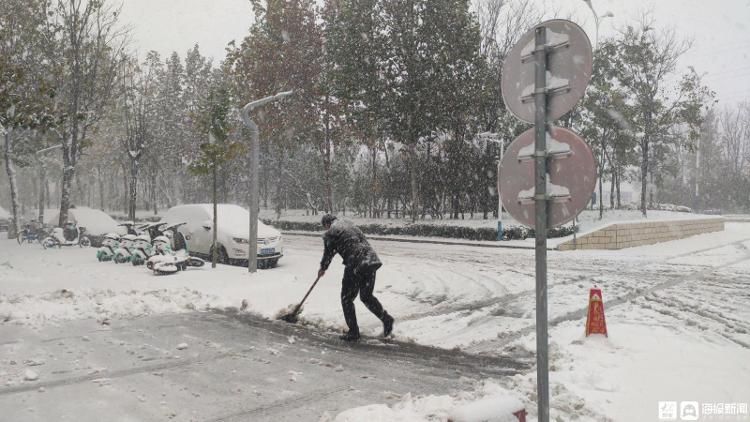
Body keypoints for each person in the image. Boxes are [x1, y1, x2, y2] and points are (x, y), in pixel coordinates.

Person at [318, 214, 394, 341]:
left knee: (346, 299)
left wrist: (323, 268)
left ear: (326, 224)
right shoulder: (349, 224)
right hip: (371, 260)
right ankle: (386, 319)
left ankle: (353, 332)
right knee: (366, 297)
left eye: (324, 227)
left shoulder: (331, 232)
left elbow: (328, 254)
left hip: (355, 264)